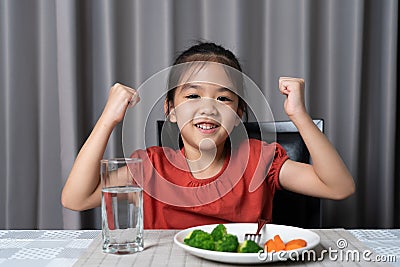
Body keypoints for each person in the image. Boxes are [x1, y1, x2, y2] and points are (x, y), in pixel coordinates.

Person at [61, 42, 355, 229]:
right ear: (171, 110)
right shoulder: (150, 168)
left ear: (239, 113)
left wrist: (299, 116)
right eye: (192, 95)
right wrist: (108, 119)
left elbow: (339, 188)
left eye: (224, 99)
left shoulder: (259, 160)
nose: (208, 108)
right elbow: (76, 198)